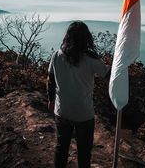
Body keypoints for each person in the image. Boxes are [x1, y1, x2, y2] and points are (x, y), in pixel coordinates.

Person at [47, 21, 110, 168]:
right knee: (84, 152)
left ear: (67, 37)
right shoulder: (91, 59)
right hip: (84, 113)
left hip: (62, 111)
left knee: (61, 147)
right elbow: (108, 74)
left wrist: (50, 100)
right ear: (86, 38)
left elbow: (50, 79)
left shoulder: (56, 55)